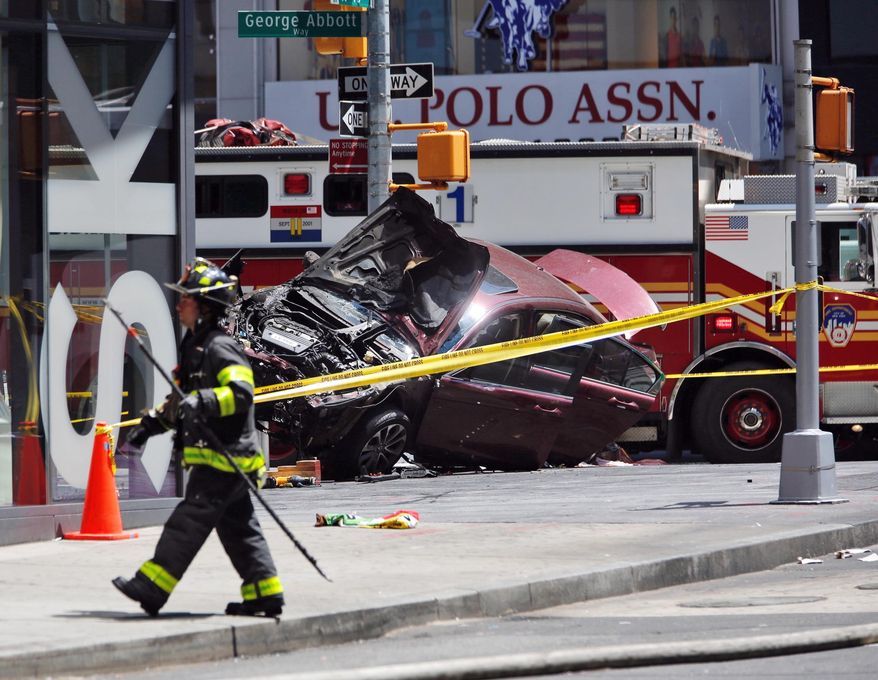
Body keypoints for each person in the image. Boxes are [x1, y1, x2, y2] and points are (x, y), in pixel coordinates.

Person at [113, 257, 283, 618]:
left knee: (188, 521)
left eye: (185, 298)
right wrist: (151, 426)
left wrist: (202, 401)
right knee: (239, 530)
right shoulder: (197, 347)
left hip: (226, 460)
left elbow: (241, 394)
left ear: (204, 307)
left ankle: (152, 586)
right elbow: (182, 400)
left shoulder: (220, 347)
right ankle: (264, 593)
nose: (179, 305)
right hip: (226, 461)